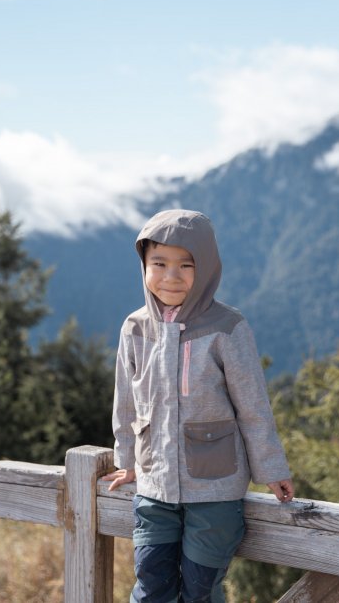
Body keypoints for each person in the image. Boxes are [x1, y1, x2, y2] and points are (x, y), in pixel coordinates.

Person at [101, 209, 293, 602]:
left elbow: (253, 406)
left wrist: (271, 468)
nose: (171, 276)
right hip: (154, 487)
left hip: (216, 489)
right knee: (152, 585)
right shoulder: (135, 328)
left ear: (205, 268)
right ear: (144, 265)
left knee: (199, 590)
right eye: (159, 263)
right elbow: (125, 401)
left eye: (185, 265)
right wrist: (128, 461)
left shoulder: (227, 326)